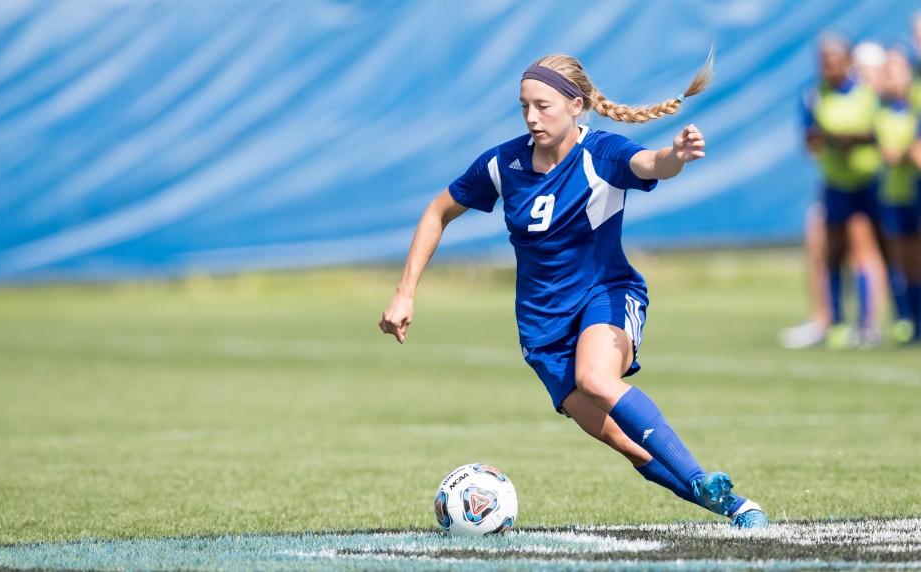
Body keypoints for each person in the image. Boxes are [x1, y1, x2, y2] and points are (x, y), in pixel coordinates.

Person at [378, 52, 769, 528]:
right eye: (524, 106)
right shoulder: (504, 163)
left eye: (543, 106)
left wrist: (677, 157)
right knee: (628, 444)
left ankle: (703, 477)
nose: (531, 117)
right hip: (543, 333)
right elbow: (437, 211)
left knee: (596, 379)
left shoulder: (601, 153)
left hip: (606, 294)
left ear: (576, 105)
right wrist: (405, 292)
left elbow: (651, 163)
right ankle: (733, 506)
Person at [798, 34, 887, 348]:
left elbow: (879, 131)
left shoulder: (866, 92)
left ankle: (869, 324)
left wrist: (852, 138)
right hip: (835, 182)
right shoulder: (814, 94)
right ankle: (835, 322)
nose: (828, 64)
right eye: (823, 59)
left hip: (866, 182)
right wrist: (828, 139)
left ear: (847, 60)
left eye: (833, 58)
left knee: (864, 249)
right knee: (832, 252)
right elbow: (810, 140)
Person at [875, 47, 921, 342]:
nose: (891, 76)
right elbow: (890, 153)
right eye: (887, 70)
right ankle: (911, 321)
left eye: (896, 68)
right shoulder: (881, 111)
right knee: (906, 263)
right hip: (896, 194)